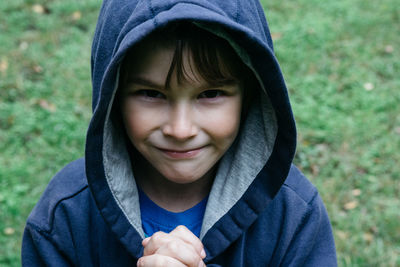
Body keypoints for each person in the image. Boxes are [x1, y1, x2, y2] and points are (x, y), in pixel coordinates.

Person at [22, 0, 337, 266]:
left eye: (210, 94)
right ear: (113, 96)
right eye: (152, 94)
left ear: (252, 95)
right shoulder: (64, 218)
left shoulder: (293, 215)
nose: (180, 129)